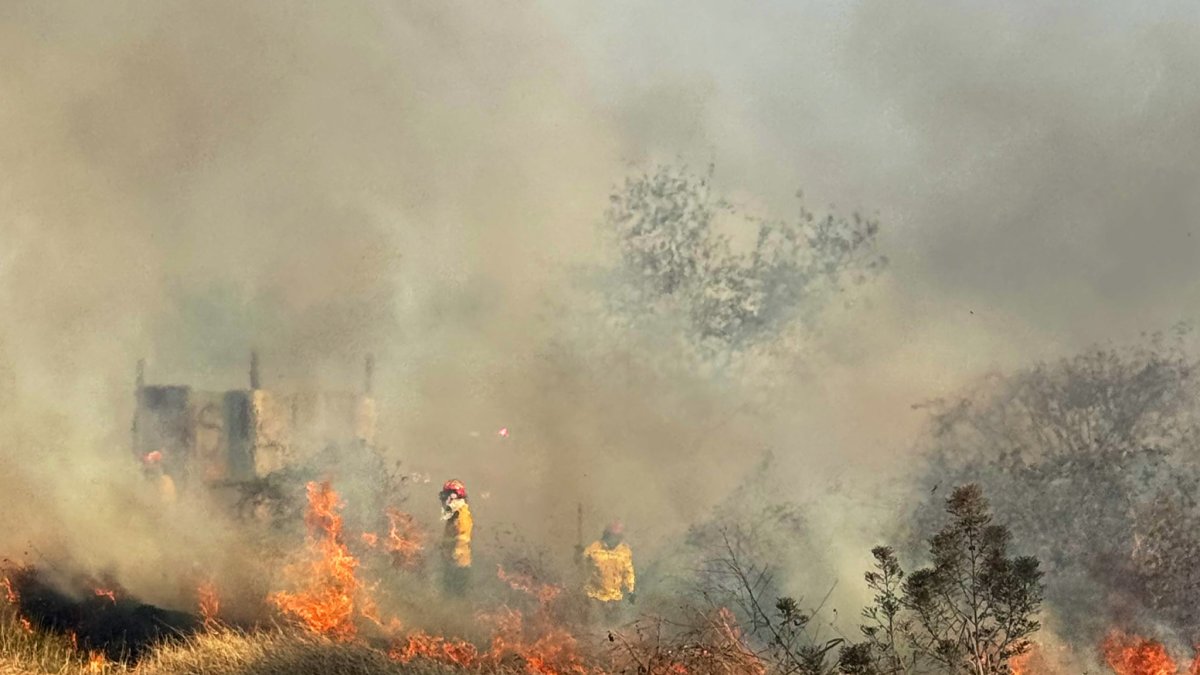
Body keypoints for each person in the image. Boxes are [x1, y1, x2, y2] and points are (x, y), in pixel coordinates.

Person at [579, 521, 635, 624]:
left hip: (615, 597)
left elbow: (628, 572)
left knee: (614, 629)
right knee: (593, 626)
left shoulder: (625, 551)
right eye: (611, 535)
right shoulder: (594, 547)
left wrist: (630, 590)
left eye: (616, 535)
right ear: (606, 534)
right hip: (594, 596)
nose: (613, 538)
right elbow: (580, 563)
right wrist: (578, 555)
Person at [439, 478, 472, 595]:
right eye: (444, 496)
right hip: (453, 564)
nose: (445, 501)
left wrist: (449, 556)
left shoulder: (460, 516)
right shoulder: (455, 515)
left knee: (453, 596)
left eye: (449, 496)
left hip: (457, 566)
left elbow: (459, 540)